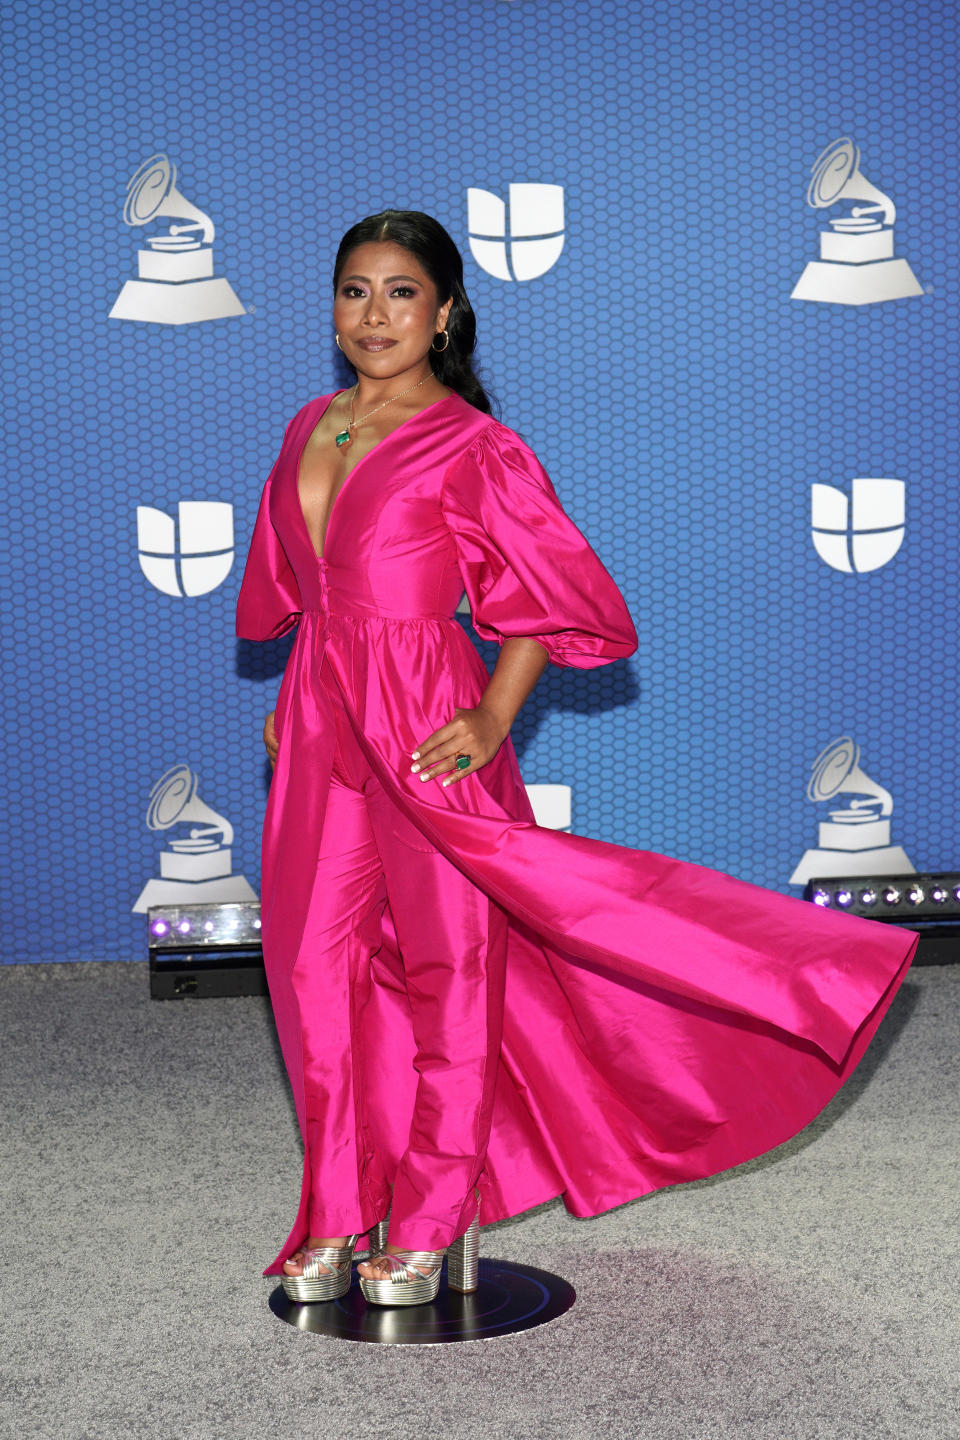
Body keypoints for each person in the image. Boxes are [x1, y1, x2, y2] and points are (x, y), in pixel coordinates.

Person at [235, 209, 918, 1308]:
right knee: (311, 971)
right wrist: (297, 692)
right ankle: (332, 1206)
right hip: (322, 720)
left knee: (449, 972)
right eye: (354, 290)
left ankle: (426, 1215)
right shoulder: (308, 426)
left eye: (401, 292)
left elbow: (552, 606)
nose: (374, 314)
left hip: (427, 719)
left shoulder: (472, 444)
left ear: (446, 311)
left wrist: (497, 718)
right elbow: (302, 585)